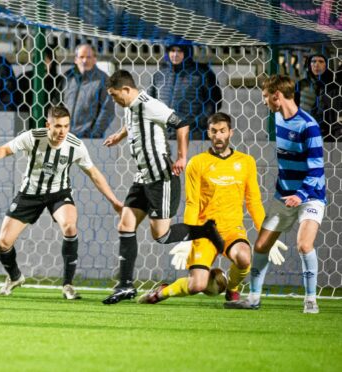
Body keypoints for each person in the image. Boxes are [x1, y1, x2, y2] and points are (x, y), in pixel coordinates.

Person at [101, 70, 224, 305]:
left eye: (115, 96)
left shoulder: (150, 105)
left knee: (162, 235)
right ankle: (125, 285)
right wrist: (119, 135)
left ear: (127, 90)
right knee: (125, 224)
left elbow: (182, 124)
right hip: (142, 176)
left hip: (161, 177)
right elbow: (133, 124)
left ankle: (206, 230)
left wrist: (181, 157)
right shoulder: (130, 107)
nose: (114, 100)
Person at [137, 112, 287, 305]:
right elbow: (192, 203)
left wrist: (266, 235)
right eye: (214, 131)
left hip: (232, 229)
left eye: (222, 131)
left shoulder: (246, 162)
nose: (218, 136)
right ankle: (161, 292)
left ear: (230, 133)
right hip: (204, 231)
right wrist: (188, 238)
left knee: (243, 257)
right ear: (209, 133)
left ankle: (232, 289)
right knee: (197, 286)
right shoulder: (197, 163)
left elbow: (254, 202)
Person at [0, 105, 123, 299]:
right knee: (3, 243)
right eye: (57, 126)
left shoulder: (75, 145)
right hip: (29, 194)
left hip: (59, 193)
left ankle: (67, 285)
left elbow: (94, 174)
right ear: (47, 124)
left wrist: (114, 201)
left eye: (66, 126)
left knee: (69, 226)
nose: (62, 131)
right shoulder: (33, 136)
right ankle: (15, 277)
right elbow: (5, 150)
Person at [226, 75, 326, 314]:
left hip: (310, 196)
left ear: (277, 96)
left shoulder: (308, 126)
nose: (263, 102)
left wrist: (300, 195)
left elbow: (317, 170)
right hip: (284, 196)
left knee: (304, 245)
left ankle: (310, 300)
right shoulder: (279, 118)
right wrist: (285, 193)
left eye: (265, 97)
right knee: (260, 245)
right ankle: (253, 298)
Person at [147, 42, 222, 140]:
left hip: (193, 135)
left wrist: (194, 123)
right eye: (172, 51)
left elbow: (214, 103)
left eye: (180, 51)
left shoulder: (202, 73)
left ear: (187, 52)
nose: (175, 55)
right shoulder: (160, 74)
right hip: (164, 135)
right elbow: (149, 103)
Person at [59, 43, 115, 139]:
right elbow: (58, 103)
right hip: (65, 136)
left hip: (88, 139)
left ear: (95, 59)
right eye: (81, 57)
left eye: (88, 57)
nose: (85, 60)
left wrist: (94, 134)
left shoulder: (103, 79)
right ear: (76, 59)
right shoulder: (67, 77)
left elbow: (108, 109)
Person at [295, 52, 342, 142]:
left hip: (327, 136)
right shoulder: (301, 85)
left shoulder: (334, 86)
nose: (316, 64)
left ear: (327, 64)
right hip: (305, 133)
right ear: (309, 64)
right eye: (313, 61)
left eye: (321, 61)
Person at [18, 47, 64, 115]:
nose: (43, 63)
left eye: (47, 60)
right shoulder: (24, 79)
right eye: (40, 59)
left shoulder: (59, 81)